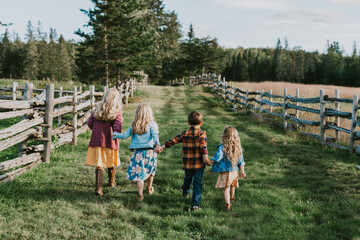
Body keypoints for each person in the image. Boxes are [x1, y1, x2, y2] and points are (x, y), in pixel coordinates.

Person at [160, 111, 211, 211]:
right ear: (201, 123)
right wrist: (205, 158)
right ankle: (195, 205)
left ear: (188, 122)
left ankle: (185, 191)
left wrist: (162, 147)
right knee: (197, 183)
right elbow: (203, 146)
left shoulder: (184, 133)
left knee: (188, 178)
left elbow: (172, 141)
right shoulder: (202, 133)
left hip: (187, 164)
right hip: (199, 164)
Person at [112, 103, 162, 202]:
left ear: (137, 113)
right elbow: (155, 135)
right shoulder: (152, 125)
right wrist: (158, 145)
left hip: (138, 154)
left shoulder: (134, 125)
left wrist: (115, 135)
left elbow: (125, 135)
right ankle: (149, 187)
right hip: (150, 152)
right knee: (151, 170)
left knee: (140, 174)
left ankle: (140, 194)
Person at [85, 88, 123, 196]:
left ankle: (98, 188)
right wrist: (117, 137)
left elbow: (89, 124)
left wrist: (97, 130)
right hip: (110, 141)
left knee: (99, 164)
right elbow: (117, 126)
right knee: (111, 160)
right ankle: (111, 182)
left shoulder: (98, 109)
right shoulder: (117, 110)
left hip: (97, 141)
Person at [211, 126, 246, 210]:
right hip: (235, 171)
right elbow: (241, 161)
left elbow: (218, 157)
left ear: (224, 136)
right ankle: (232, 197)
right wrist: (242, 171)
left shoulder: (222, 147)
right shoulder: (238, 148)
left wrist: (211, 160)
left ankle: (227, 203)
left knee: (226, 188)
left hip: (226, 171)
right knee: (232, 185)